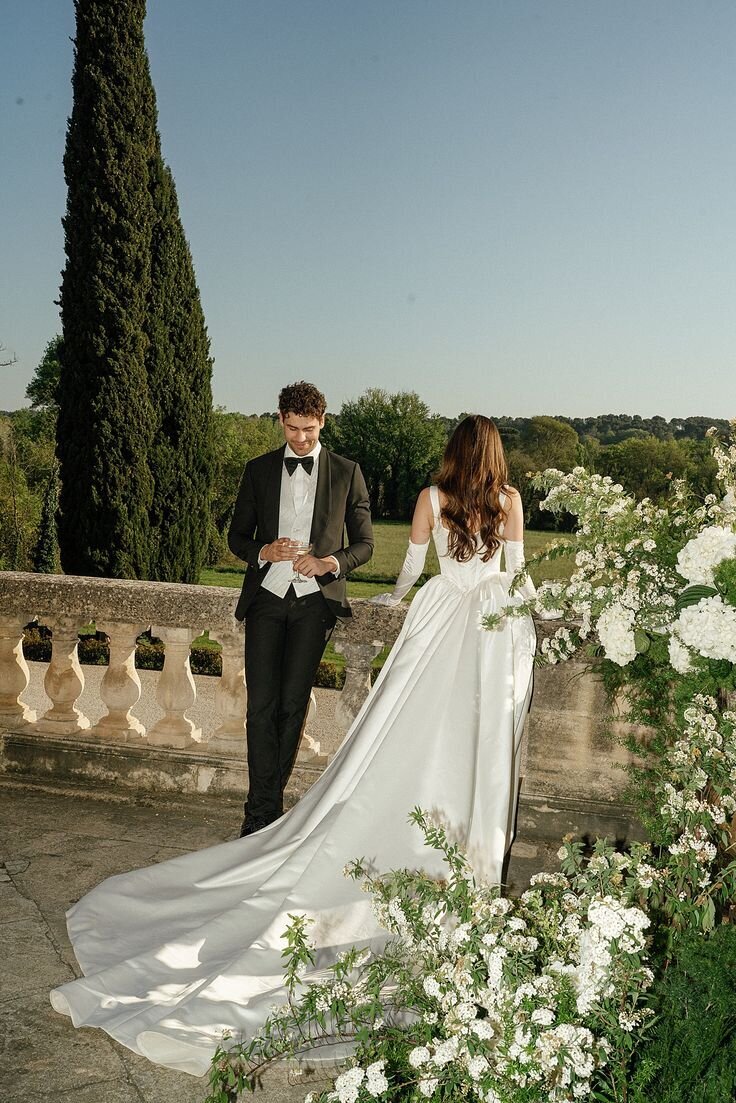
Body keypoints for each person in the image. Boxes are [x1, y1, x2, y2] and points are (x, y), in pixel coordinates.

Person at [50, 414, 536, 1077]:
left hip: (441, 620)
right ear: (496, 453)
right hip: (486, 634)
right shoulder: (509, 501)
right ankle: (458, 858)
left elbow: (411, 571)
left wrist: (397, 602)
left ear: (454, 450)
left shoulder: (431, 497)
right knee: (466, 748)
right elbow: (516, 578)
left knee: (402, 742)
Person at [227, 381, 374, 836]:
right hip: (266, 600)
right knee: (260, 707)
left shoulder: (347, 472)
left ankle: (266, 809)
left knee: (292, 706)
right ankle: (261, 812)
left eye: (309, 429)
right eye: (292, 429)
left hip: (314, 606)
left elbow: (366, 544)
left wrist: (330, 562)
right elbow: (236, 536)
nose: (301, 438)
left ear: (322, 421)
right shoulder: (257, 470)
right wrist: (262, 551)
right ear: (280, 420)